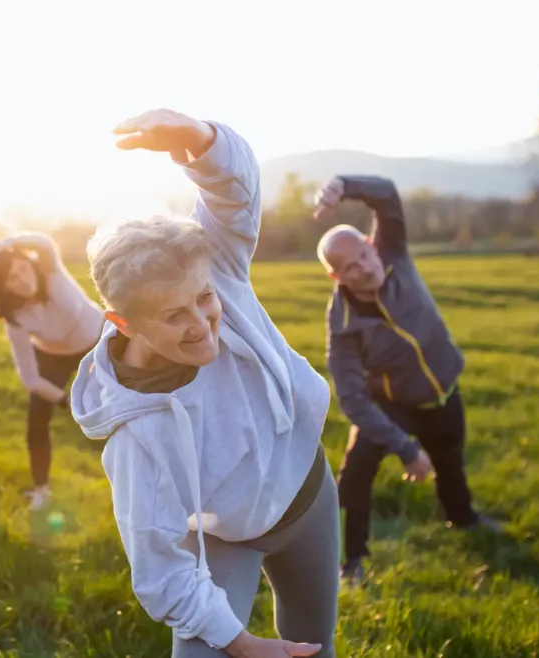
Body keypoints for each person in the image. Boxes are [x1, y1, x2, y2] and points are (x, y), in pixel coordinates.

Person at [72, 109, 336, 658]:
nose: (201, 325)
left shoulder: (219, 270)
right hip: (221, 536)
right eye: (173, 317)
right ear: (123, 323)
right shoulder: (136, 435)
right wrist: (241, 644)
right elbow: (160, 567)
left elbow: (235, 198)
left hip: (308, 495)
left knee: (315, 648)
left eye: (204, 299)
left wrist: (200, 139)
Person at [312, 175, 501, 584]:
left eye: (364, 254)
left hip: (443, 390)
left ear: (370, 243)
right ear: (337, 277)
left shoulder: (393, 251)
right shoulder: (342, 324)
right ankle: (350, 561)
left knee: (451, 460)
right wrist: (404, 447)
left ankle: (463, 520)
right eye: (350, 267)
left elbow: (388, 197)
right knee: (357, 469)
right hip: (393, 405)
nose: (365, 268)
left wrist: (343, 185)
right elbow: (352, 400)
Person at [0, 233, 105, 509]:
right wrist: (63, 399)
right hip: (53, 355)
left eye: (23, 268)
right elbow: (30, 377)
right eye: (12, 278)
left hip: (97, 341)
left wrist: (6, 243)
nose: (23, 279)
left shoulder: (51, 271)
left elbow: (44, 244)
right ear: (3, 288)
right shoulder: (15, 319)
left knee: (126, 403)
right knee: (36, 420)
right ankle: (41, 491)